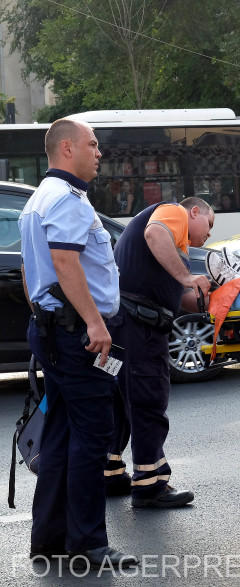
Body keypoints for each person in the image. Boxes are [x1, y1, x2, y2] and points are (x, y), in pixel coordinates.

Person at [19, 118, 138, 568]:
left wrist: (47, 320)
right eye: (92, 144)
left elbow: (35, 272)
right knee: (93, 436)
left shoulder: (38, 199)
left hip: (55, 330)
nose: (99, 152)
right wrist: (94, 323)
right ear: (67, 149)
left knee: (62, 433)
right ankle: (88, 544)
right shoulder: (68, 200)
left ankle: (49, 540)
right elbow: (65, 262)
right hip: (76, 335)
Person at [104, 197, 212, 508]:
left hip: (121, 327)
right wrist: (187, 277)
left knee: (120, 397)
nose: (209, 233)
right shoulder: (173, 212)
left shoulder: (174, 251)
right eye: (209, 223)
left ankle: (110, 471)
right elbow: (154, 234)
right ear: (194, 212)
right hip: (138, 330)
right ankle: (150, 485)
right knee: (147, 398)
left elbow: (182, 301)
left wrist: (215, 296)